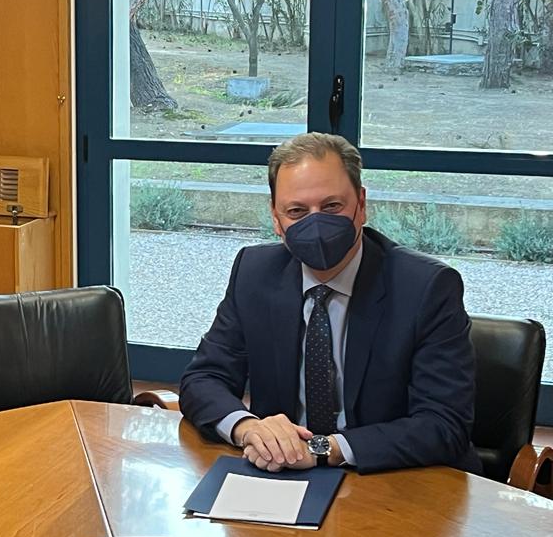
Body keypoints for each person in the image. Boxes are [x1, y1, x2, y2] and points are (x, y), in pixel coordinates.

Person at [179, 132, 481, 475]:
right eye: (297, 211)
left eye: (332, 207)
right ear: (276, 219)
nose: (316, 223)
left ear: (362, 205)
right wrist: (249, 428)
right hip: (281, 472)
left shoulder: (426, 287)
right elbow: (203, 378)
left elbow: (444, 423)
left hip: (391, 476)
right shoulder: (254, 272)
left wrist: (324, 449)